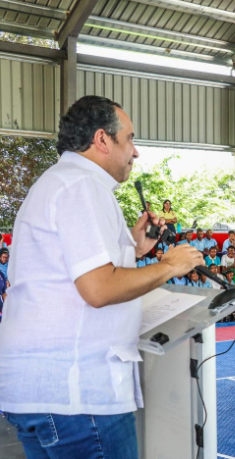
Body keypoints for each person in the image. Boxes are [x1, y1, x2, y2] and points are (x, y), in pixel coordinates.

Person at [0, 96, 204, 458]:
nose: (135, 151)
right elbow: (97, 289)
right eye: (129, 138)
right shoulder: (82, 186)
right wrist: (170, 265)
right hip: (78, 397)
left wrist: (135, 249)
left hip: (42, 390)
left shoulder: (57, 182)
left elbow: (68, 271)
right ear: (102, 140)